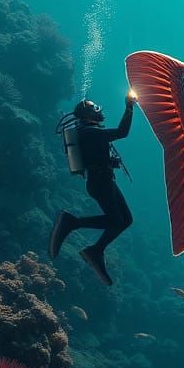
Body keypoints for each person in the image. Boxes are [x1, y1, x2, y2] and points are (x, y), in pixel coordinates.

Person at [49, 90, 136, 286]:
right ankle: (71, 223)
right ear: (87, 115)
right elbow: (122, 132)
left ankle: (95, 251)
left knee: (126, 220)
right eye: (95, 108)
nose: (99, 110)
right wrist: (129, 106)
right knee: (116, 220)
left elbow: (96, 156)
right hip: (100, 183)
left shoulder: (87, 133)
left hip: (103, 180)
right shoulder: (90, 132)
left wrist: (109, 162)